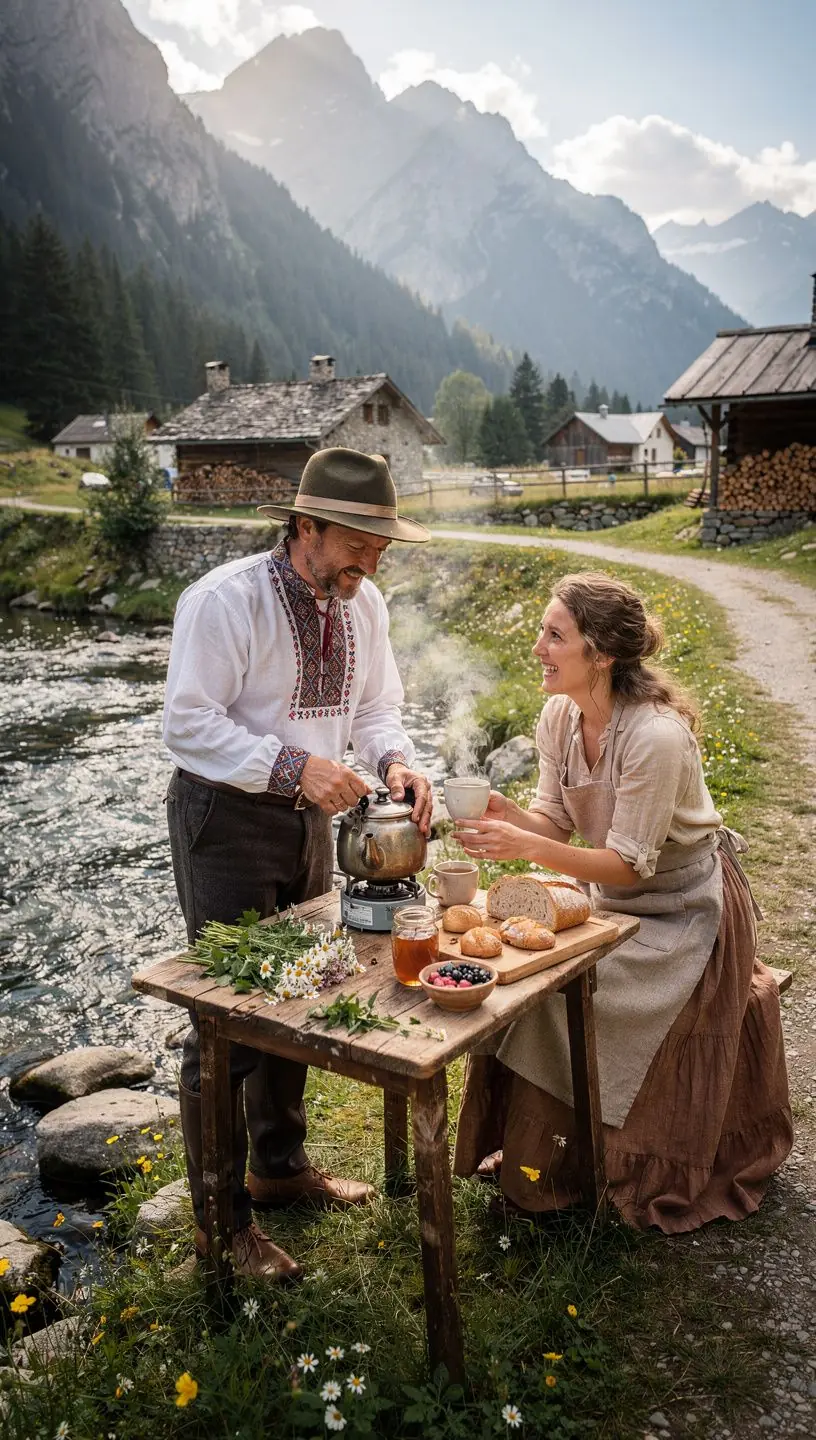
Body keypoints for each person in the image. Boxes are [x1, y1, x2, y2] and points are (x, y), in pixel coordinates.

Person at [163, 447, 433, 1280]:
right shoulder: (223, 602)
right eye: (358, 542)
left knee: (295, 1000)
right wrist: (294, 769)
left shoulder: (366, 603)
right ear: (305, 526)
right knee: (227, 1018)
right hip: (226, 819)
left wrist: (398, 761)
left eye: (380, 548)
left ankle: (277, 1170)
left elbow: (378, 708)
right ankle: (221, 1228)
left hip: (313, 822)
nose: (370, 562)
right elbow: (187, 726)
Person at [452, 572, 792, 1232]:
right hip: (610, 897)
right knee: (533, 979)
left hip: (684, 910)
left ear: (602, 653)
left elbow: (631, 868)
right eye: (540, 631)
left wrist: (523, 843)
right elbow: (554, 822)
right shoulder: (560, 716)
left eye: (555, 635)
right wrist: (512, 818)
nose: (537, 647)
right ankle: (537, 1164)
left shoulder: (655, 737)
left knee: (573, 992)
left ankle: (580, 1171)